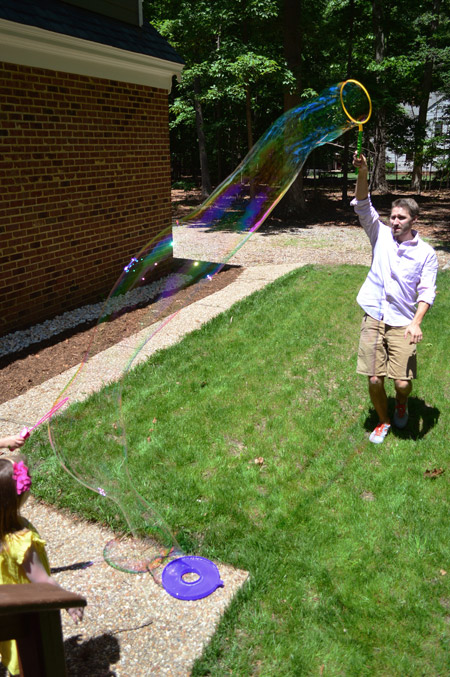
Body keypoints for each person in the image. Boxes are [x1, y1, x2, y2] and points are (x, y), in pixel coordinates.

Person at [352, 152, 438, 444]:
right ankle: (384, 420)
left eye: (401, 218)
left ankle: (401, 401)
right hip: (374, 315)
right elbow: (363, 205)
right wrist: (363, 172)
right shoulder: (381, 236)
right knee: (374, 378)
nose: (395, 222)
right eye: (392, 217)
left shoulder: (426, 253)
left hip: (403, 321)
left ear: (414, 220)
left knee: (402, 382)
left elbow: (427, 290)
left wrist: (417, 322)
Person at [0, 455, 84, 676]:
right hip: (25, 608)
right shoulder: (21, 541)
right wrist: (69, 601)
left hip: (4, 608)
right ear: (18, 498)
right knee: (30, 654)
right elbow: (43, 581)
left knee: (9, 646)